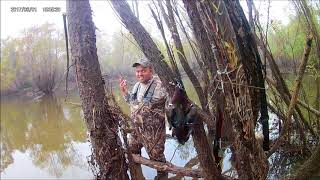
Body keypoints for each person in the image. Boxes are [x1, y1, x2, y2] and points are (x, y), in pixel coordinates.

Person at [119, 58, 168, 179]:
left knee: (159, 163)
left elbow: (170, 102)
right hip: (137, 130)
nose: (139, 74)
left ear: (150, 70)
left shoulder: (160, 84)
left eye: (143, 71)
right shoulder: (137, 85)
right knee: (132, 151)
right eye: (137, 71)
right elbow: (132, 103)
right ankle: (138, 175)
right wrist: (124, 91)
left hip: (153, 134)